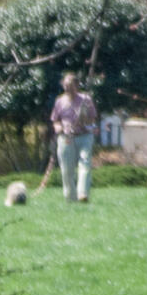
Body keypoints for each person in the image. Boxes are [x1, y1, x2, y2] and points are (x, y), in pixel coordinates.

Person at [49, 72, 99, 203]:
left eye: (70, 85)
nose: (67, 88)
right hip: (66, 138)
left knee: (85, 163)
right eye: (65, 85)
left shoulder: (86, 99)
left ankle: (83, 194)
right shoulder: (60, 101)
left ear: (77, 85)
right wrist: (58, 127)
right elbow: (55, 120)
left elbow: (92, 119)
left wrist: (84, 118)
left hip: (84, 136)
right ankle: (71, 197)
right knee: (67, 169)